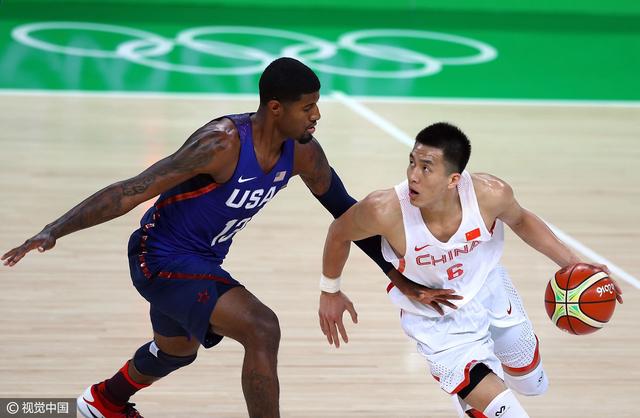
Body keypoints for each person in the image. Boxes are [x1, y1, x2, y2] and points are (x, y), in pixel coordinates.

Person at [1, 58, 460, 418]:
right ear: (276, 108)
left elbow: (347, 211)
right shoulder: (222, 144)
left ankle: (104, 402)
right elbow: (132, 190)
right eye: (308, 106)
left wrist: (398, 274)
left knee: (176, 352)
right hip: (157, 255)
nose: (317, 115)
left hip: (200, 260)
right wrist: (53, 230)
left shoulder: (302, 153)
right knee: (263, 328)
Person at [318, 122, 624, 418]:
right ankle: (472, 392)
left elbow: (521, 220)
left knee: (532, 384)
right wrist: (330, 290)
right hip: (436, 317)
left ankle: (479, 391)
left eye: (426, 167)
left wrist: (574, 265)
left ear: (454, 180)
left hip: (489, 290)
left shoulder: (490, 194)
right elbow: (339, 232)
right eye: (411, 162)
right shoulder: (383, 209)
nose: (413, 175)